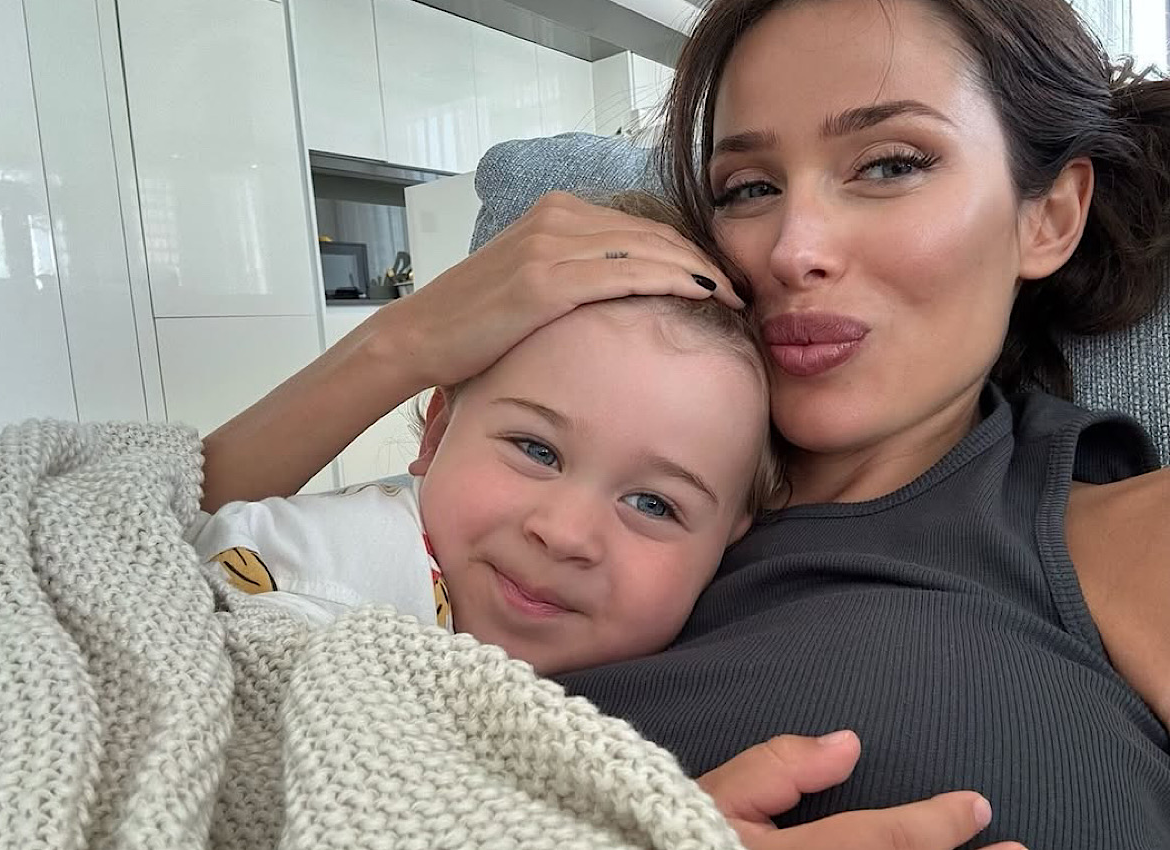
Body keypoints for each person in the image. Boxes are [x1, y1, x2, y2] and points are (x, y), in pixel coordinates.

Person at [199, 0, 1170, 846]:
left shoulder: (1118, 537)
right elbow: (161, 569)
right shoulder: (484, 502)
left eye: (889, 164)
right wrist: (402, 343)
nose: (793, 248)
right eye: (748, 187)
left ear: (1048, 215)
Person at [190, 267, 777, 676]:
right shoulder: (331, 576)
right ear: (437, 434)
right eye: (536, 451)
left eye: (653, 504)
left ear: (729, 546)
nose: (565, 533)